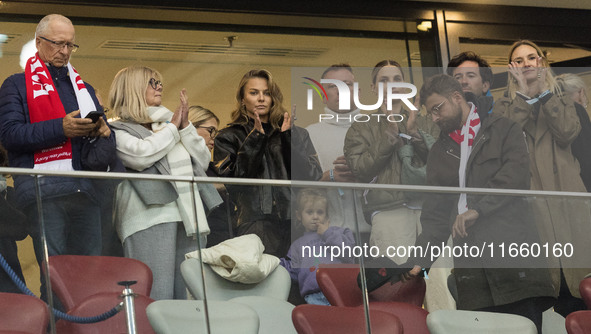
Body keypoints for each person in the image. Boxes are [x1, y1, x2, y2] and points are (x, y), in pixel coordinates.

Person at [406, 74, 555, 333]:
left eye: (437, 109)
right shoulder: (439, 152)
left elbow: (516, 178)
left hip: (512, 258)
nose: (435, 118)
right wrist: (419, 260)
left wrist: (478, 209)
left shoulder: (502, 128)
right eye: (430, 113)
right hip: (472, 272)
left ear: (456, 97)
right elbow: (435, 215)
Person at [0, 14, 115, 297]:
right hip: (42, 192)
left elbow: (107, 145)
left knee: (89, 277)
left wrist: (104, 133)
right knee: (56, 279)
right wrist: (61, 128)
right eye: (58, 44)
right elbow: (10, 135)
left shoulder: (83, 88)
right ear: (39, 42)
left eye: (70, 46)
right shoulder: (15, 84)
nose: (65, 51)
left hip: (85, 191)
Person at [492, 40, 591, 317]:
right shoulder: (504, 107)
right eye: (519, 60)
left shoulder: (563, 102)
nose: (526, 64)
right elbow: (503, 143)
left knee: (578, 288)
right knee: (543, 293)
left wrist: (545, 94)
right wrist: (522, 96)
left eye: (532, 58)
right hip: (531, 206)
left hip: (568, 202)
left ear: (542, 64)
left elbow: (567, 133)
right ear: (512, 69)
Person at [108, 66, 222, 300]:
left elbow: (201, 160)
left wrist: (185, 127)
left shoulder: (168, 125)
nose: (159, 87)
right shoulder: (115, 128)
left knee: (189, 296)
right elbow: (140, 156)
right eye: (152, 82)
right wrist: (173, 128)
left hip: (188, 217)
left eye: (160, 83)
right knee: (155, 296)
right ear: (133, 88)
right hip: (147, 218)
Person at [213, 69, 322, 258]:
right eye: (254, 93)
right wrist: (255, 138)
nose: (261, 98)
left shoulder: (296, 134)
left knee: (297, 283)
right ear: (242, 99)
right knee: (260, 282)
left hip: (296, 221)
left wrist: (289, 140)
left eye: (267, 93)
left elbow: (312, 176)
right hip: (254, 221)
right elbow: (233, 182)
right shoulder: (228, 136)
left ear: (274, 98)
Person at [344, 60, 438, 264]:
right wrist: (389, 136)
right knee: (397, 288)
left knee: (438, 288)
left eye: (397, 79)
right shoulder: (360, 127)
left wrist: (415, 134)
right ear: (373, 88)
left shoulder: (425, 121)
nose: (391, 85)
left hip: (428, 212)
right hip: (388, 213)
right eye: (383, 80)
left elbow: (442, 165)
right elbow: (360, 170)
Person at [305, 64, 368, 236]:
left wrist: (365, 170)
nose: (341, 90)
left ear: (358, 92)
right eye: (333, 86)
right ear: (323, 96)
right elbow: (300, 190)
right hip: (328, 234)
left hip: (376, 230)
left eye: (347, 84)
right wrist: (328, 177)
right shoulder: (309, 134)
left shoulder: (377, 128)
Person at [280, 188, 355, 305]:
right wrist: (275, 264)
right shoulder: (297, 245)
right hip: (314, 295)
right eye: (309, 212)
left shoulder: (339, 232)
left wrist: (327, 233)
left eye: (320, 212)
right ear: (299, 216)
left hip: (341, 289)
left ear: (327, 214)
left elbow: (349, 254)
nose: (315, 217)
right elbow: (292, 270)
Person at [188, 105, 233, 247]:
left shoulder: (213, 169)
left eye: (216, 132)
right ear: (190, 127)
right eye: (210, 130)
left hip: (224, 243)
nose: (214, 138)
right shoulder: (180, 167)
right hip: (196, 244)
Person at [555, 73, 591, 192]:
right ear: (581, 93)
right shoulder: (577, 111)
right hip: (583, 183)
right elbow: (586, 153)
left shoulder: (552, 113)